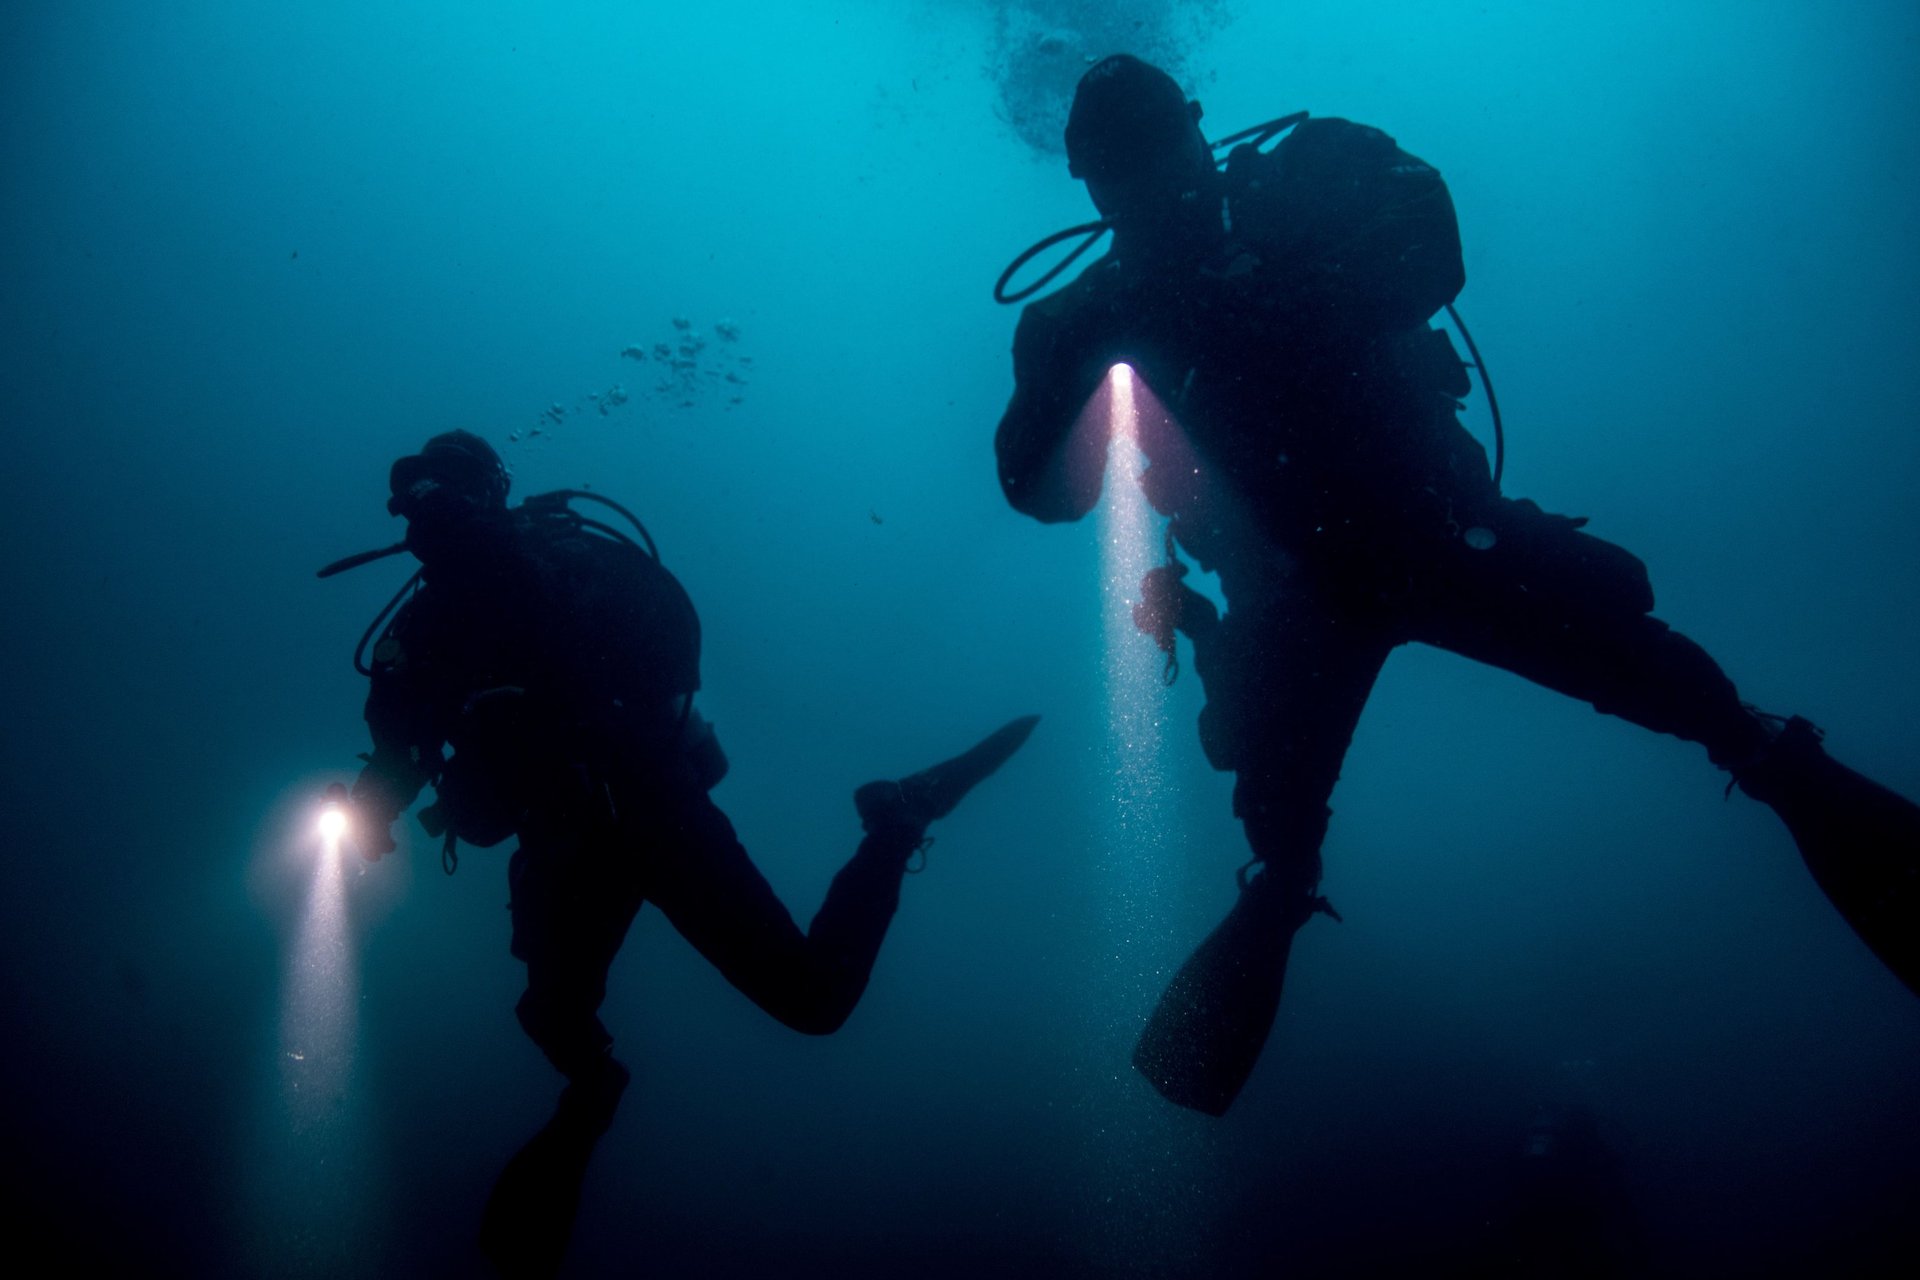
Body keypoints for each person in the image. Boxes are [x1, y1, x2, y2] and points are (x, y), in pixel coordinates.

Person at [993, 54, 1920, 1116]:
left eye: (1158, 146)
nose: (1152, 180)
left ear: (1198, 130)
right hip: (1307, 588)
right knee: (1281, 826)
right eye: (1124, 165)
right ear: (1090, 185)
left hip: (1436, 531)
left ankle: (1781, 767)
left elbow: (1434, 248)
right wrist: (1072, 363)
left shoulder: (1305, 174)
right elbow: (1042, 493)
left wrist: (1280, 287)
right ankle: (1283, 892)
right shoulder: (1086, 315)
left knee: (1679, 688)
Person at [328, 430, 1037, 1274]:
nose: (426, 505)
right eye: (414, 491)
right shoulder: (423, 630)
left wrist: (568, 681)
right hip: (562, 845)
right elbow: (397, 754)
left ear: (489, 492)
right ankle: (594, 1094)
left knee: (813, 1002)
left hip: (654, 812)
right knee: (553, 1017)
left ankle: (898, 817)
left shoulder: (566, 566)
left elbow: (667, 657)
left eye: (446, 488)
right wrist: (371, 811)